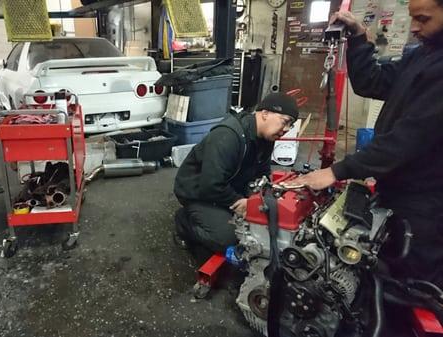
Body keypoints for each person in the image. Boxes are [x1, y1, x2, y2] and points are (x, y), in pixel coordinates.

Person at [290, 0, 443, 288]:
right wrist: (359, 38)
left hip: (428, 204)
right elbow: (371, 82)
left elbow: (408, 138)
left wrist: (337, 170)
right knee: (381, 265)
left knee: (410, 285)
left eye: (423, 19)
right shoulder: (422, 55)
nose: (414, 27)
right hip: (397, 190)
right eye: (412, 18)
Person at [173, 93, 299, 256]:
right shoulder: (228, 136)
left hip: (230, 186)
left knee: (267, 218)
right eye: (286, 122)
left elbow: (263, 173)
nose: (287, 129)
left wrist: (262, 198)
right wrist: (238, 201)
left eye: (291, 125)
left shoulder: (267, 139)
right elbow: (210, 185)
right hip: (199, 193)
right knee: (228, 238)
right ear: (265, 114)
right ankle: (184, 222)